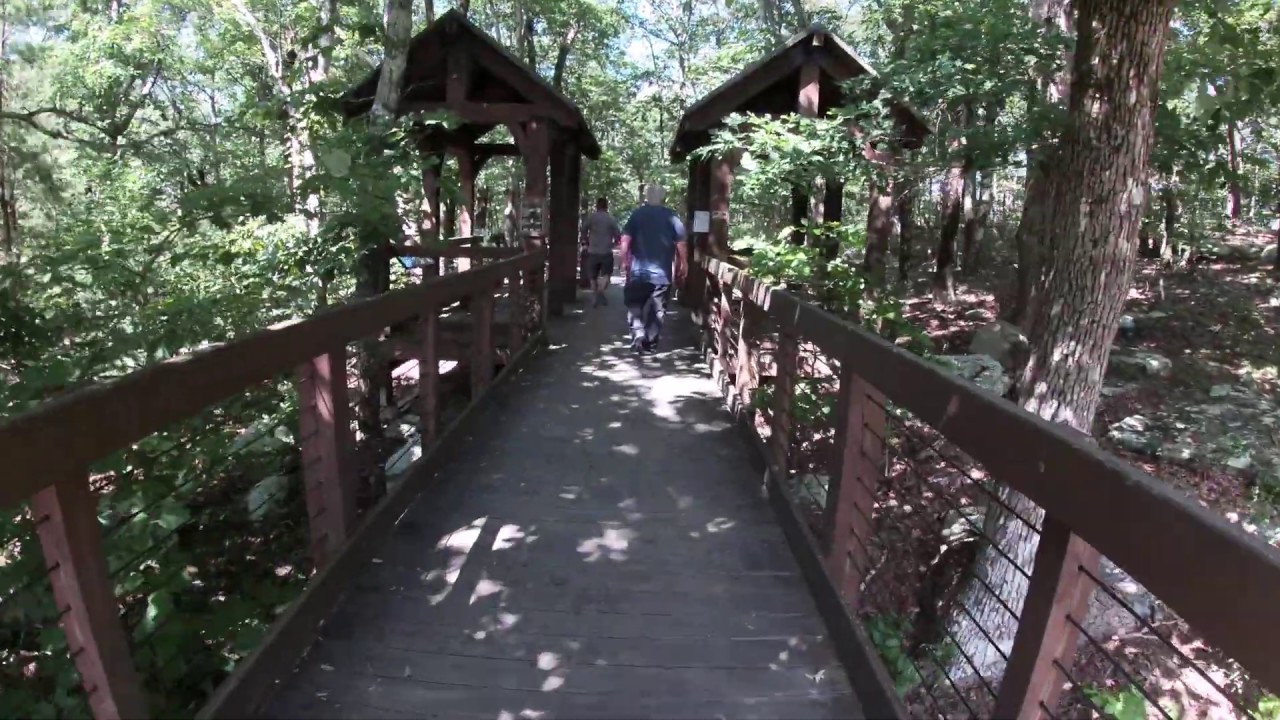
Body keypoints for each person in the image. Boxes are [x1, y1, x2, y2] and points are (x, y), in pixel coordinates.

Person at [619, 184, 687, 354]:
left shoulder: (636, 215)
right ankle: (649, 344)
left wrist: (624, 261)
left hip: (638, 271)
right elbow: (681, 244)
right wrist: (683, 264)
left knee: (634, 304)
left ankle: (637, 330)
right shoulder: (671, 217)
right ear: (662, 198)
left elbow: (625, 240)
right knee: (658, 310)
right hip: (662, 274)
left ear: (647, 197)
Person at [580, 197, 621, 307]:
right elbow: (618, 234)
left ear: (597, 206)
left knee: (592, 276)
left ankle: (594, 296)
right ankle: (601, 290)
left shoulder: (591, 218)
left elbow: (583, 229)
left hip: (592, 250)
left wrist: (585, 241)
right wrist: (615, 243)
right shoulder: (610, 219)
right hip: (606, 251)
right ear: (606, 206)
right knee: (607, 274)